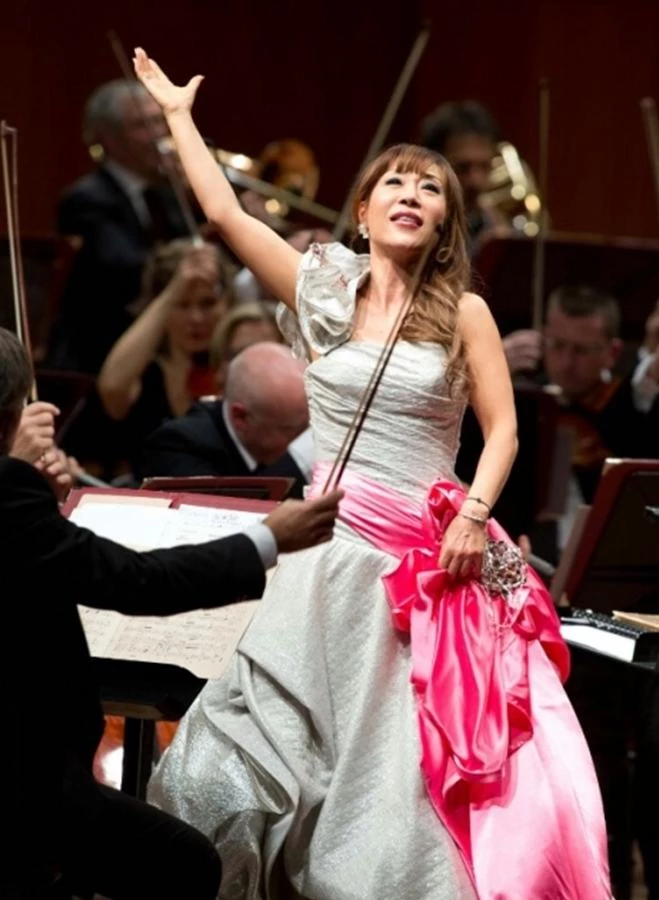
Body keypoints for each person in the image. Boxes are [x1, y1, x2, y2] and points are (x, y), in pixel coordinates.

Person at [134, 47, 612, 899]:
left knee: (389, 793)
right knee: (227, 768)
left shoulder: (464, 311)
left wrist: (473, 515)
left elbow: (501, 430)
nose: (410, 193)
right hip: (322, 559)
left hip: (418, 566)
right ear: (362, 210)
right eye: (395, 180)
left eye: (429, 187)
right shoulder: (322, 294)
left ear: (444, 222)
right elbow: (223, 212)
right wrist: (178, 117)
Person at [0, 326, 342, 900]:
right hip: (26, 788)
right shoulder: (10, 492)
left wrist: (37, 497)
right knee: (189, 865)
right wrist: (268, 539)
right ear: (11, 415)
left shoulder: (16, 495)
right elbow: (137, 580)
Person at [46, 79, 205, 374]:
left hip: (165, 349)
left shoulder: (169, 194)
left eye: (159, 121)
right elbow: (126, 267)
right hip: (102, 351)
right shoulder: (85, 199)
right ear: (109, 138)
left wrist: (202, 201)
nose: (159, 135)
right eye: (142, 125)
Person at [141, 341, 312, 495]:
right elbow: (230, 512)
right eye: (293, 429)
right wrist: (302, 458)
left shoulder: (269, 425)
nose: (310, 434)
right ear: (241, 418)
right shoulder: (179, 445)